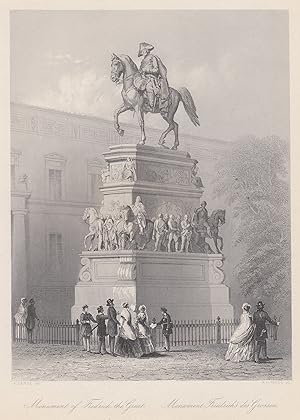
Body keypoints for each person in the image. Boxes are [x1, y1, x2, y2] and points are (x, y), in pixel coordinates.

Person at [134, 42, 169, 112]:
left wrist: (147, 70)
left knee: (148, 86)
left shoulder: (153, 58)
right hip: (144, 78)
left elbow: (156, 69)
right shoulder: (143, 60)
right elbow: (141, 70)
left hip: (152, 78)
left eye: (143, 51)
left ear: (146, 50)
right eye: (142, 51)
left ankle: (151, 104)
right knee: (136, 85)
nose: (142, 52)